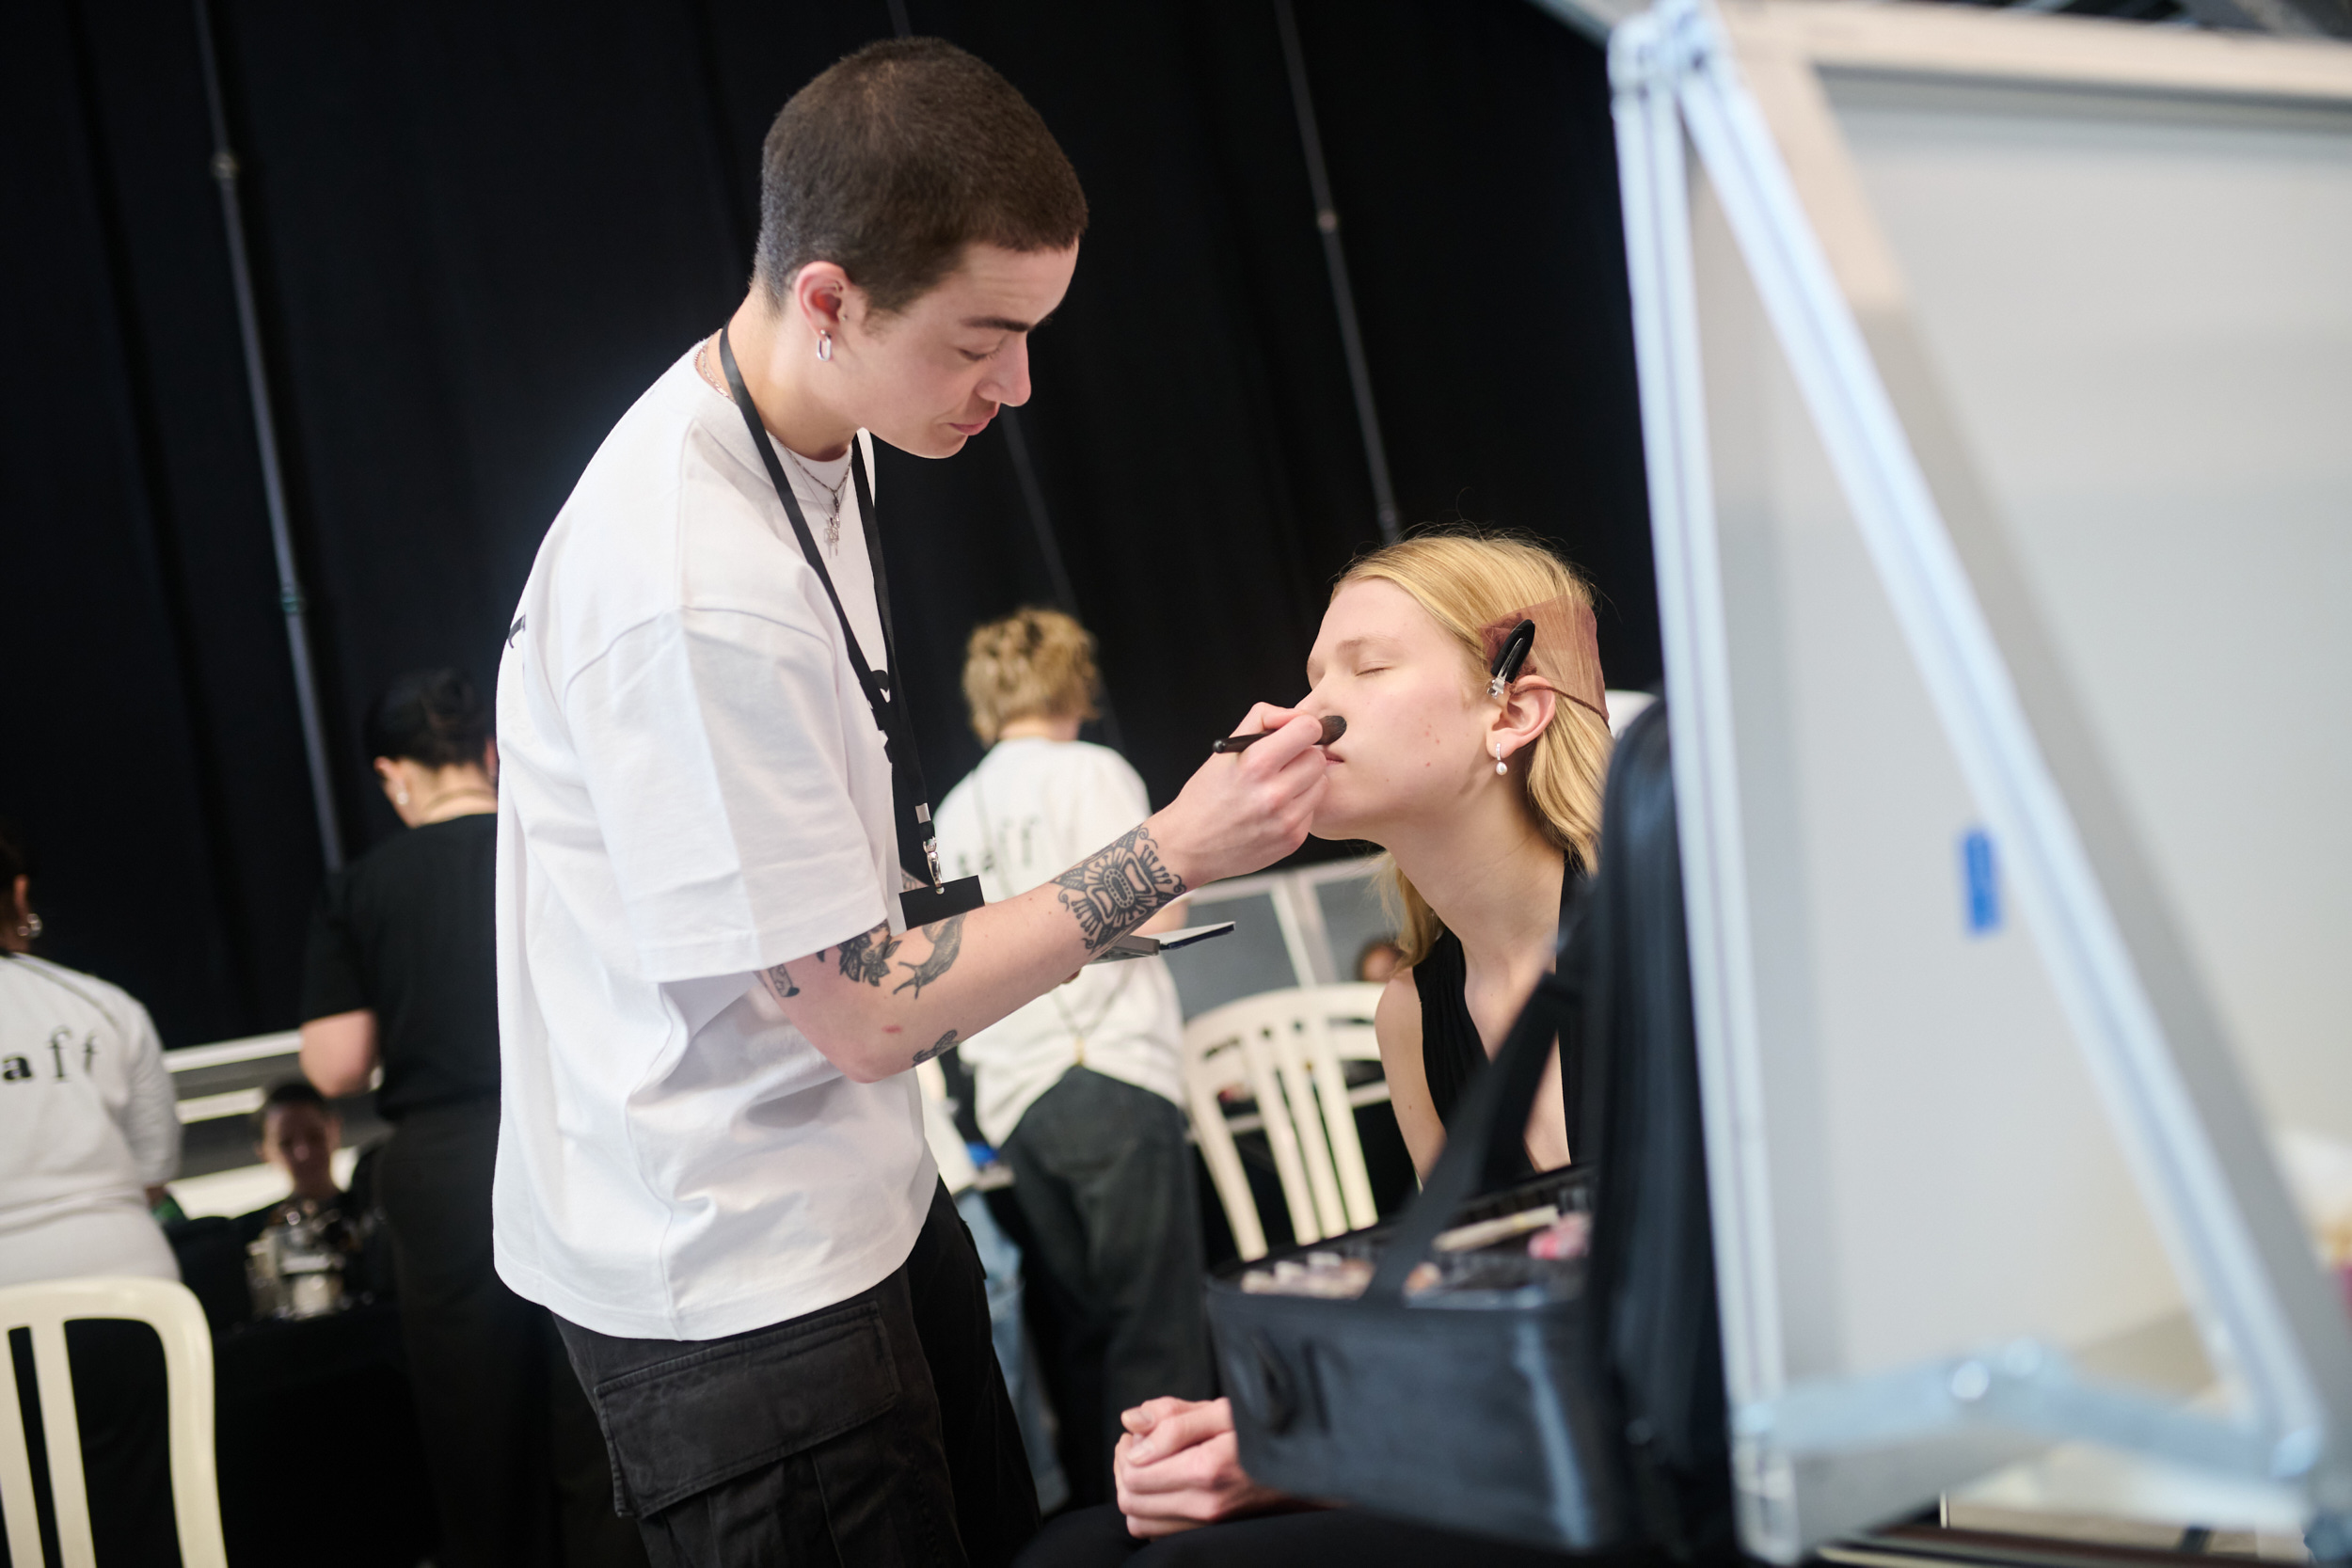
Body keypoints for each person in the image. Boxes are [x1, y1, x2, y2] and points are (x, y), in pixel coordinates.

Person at [493, 38, 1328, 1568]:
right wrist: (1171, 851)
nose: (1016, 387)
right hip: (737, 1285)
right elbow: (865, 1013)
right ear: (828, 298)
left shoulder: (832, 437)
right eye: (981, 340)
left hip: (862, 1198)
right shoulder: (690, 586)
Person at [1019, 531, 1614, 1563]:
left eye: (1368, 667)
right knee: (1072, 1546)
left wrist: (1316, 1454)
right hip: (1552, 1447)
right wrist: (1272, 1435)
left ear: (1511, 710)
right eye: (1310, 677)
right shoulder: (1413, 1018)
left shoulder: (1676, 938)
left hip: (1676, 1469)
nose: (1303, 716)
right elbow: (1473, 1328)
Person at [301, 670, 643, 1568]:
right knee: (595, 1408)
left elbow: (334, 1063)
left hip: (448, 1165)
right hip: (578, 1135)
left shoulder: (364, 886)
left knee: (474, 1425)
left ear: (393, 774)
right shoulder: (560, 847)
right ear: (493, 754)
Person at [932, 609, 1212, 1500]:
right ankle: (1174, 1521)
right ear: (1073, 678)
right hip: (1107, 1064)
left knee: (1087, 1328)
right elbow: (1158, 908)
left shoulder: (956, 805)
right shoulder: (1093, 771)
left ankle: (1114, 1513)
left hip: (1016, 1093)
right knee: (1155, 1323)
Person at [0, 821, 184, 1564]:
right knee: (144, 1523)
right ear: (17, 894)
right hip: (131, 1303)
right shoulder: (102, 1004)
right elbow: (153, 1169)